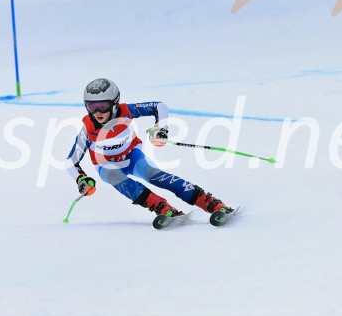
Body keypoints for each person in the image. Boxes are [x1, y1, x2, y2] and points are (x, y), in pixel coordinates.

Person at [65, 78, 234, 221]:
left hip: (131, 156)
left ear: (115, 103)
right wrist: (81, 179)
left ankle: (209, 202)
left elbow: (159, 106)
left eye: (102, 106)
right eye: (91, 107)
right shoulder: (87, 130)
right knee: (116, 177)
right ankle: (161, 207)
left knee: (154, 175)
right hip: (105, 164)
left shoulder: (126, 111)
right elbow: (71, 162)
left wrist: (161, 128)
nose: (97, 112)